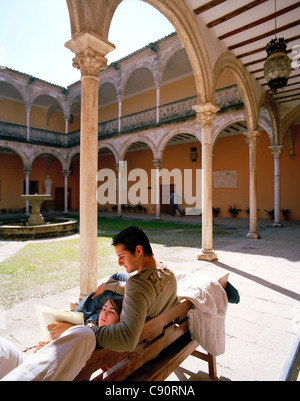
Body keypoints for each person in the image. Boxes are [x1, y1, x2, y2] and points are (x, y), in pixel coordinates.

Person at [1, 226, 178, 381]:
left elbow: (126, 338)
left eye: (122, 256)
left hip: (131, 349)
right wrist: (111, 286)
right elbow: (143, 288)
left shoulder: (136, 284)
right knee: (116, 278)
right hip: (158, 335)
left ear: (138, 250)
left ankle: (76, 321)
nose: (119, 262)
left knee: (89, 313)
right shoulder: (166, 270)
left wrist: (76, 331)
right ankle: (80, 316)